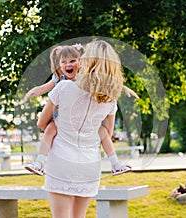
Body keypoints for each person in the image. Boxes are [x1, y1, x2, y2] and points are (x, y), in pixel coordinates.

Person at [36, 39, 126, 217]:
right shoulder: (111, 98)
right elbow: (106, 133)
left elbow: (41, 123)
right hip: (89, 166)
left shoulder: (63, 87)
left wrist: (59, 125)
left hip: (61, 163)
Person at [24, 43, 137, 176]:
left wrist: (124, 88)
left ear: (80, 62)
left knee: (103, 132)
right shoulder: (58, 80)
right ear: (59, 64)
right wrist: (29, 93)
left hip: (78, 121)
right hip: (61, 117)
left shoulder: (83, 79)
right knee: (50, 129)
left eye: (73, 61)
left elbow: (104, 80)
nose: (68, 65)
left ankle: (115, 164)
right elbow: (43, 89)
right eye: (63, 62)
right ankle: (39, 162)